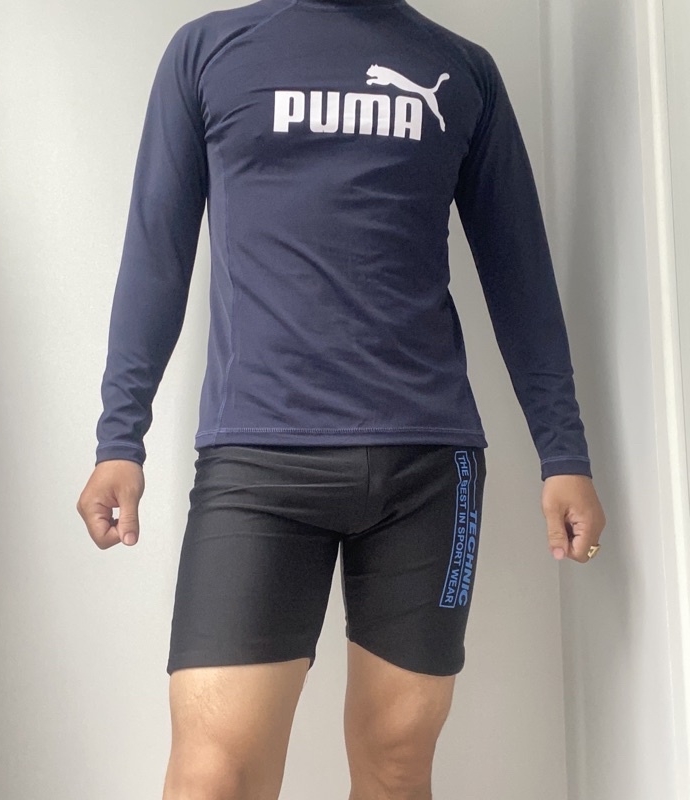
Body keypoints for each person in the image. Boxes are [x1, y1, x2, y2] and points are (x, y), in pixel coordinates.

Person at [76, 0, 607, 797]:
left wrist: (563, 452)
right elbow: (157, 250)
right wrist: (121, 437)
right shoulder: (208, 52)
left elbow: (520, 270)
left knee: (397, 767)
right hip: (257, 467)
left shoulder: (463, 71)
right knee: (213, 776)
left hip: (428, 473)